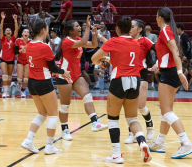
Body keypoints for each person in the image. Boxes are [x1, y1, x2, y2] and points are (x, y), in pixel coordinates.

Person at [91, 16, 152, 164]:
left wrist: (101, 60)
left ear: (117, 29)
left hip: (119, 80)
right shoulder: (136, 44)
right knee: (132, 118)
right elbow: (126, 61)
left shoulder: (114, 41)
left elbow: (93, 58)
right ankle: (142, 141)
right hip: (135, 80)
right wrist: (109, 60)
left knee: (113, 119)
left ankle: (116, 155)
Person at [149, 7, 192, 159]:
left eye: (156, 16)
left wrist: (180, 72)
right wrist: (158, 63)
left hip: (170, 73)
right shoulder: (170, 30)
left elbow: (176, 52)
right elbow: (168, 53)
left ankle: (186, 143)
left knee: (167, 111)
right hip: (169, 71)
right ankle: (159, 142)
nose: (155, 19)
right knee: (166, 111)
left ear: (160, 18)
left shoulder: (164, 30)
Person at [21, 19, 71, 155]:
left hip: (32, 83)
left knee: (42, 113)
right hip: (43, 82)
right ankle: (50, 146)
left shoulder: (29, 44)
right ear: (43, 30)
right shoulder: (45, 47)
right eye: (47, 29)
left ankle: (28, 140)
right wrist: (64, 73)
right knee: (53, 115)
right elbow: (53, 68)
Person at [55, 16, 108, 141]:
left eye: (80, 26)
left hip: (76, 75)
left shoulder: (78, 39)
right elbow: (84, 42)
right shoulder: (67, 41)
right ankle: (64, 129)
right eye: (77, 26)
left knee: (88, 96)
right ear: (70, 30)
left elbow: (94, 44)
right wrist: (88, 28)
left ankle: (95, 122)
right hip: (65, 75)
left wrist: (94, 32)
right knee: (65, 106)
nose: (79, 28)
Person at [124, 19, 156, 144]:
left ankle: (149, 125)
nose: (130, 29)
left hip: (141, 73)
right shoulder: (126, 40)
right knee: (130, 105)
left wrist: (158, 63)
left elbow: (158, 49)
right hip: (128, 74)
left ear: (140, 29)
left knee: (140, 105)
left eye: (132, 26)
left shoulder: (144, 40)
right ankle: (131, 133)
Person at [0, 12, 18, 98]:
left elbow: (17, 30)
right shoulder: (3, 39)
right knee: (5, 75)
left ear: (11, 32)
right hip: (3, 59)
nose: (8, 31)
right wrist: (2, 19)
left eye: (9, 30)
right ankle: (5, 91)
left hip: (11, 59)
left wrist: (15, 20)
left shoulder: (13, 38)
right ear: (4, 33)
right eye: (6, 30)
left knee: (9, 76)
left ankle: (8, 91)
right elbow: (0, 29)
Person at [15, 27, 32, 98]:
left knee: (26, 78)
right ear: (22, 33)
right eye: (25, 32)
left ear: (28, 34)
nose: (26, 33)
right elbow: (15, 52)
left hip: (27, 61)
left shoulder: (31, 41)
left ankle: (22, 90)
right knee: (19, 78)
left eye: (27, 32)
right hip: (20, 60)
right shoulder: (18, 40)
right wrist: (22, 49)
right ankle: (18, 84)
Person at [145, 22, 159, 90]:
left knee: (152, 69)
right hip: (144, 54)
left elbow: (155, 45)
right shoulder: (142, 36)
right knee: (143, 69)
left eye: (149, 26)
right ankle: (144, 84)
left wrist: (153, 51)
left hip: (151, 54)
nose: (147, 27)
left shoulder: (153, 35)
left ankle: (152, 85)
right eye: (146, 26)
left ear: (151, 28)